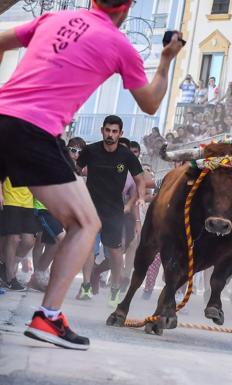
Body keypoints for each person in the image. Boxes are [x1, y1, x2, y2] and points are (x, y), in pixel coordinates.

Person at [0, 0, 183, 350]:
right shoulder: (119, 44)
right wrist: (166, 59)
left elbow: (0, 41)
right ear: (126, 9)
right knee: (86, 223)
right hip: (34, 130)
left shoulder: (55, 17)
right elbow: (150, 103)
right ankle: (48, 316)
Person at [77, 116, 145, 307]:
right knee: (88, 247)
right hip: (90, 207)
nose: (110, 135)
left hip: (114, 210)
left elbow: (140, 180)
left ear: (120, 134)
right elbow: (75, 170)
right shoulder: (90, 151)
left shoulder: (126, 156)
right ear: (102, 131)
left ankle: (114, 289)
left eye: (115, 132)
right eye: (108, 130)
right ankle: (86, 285)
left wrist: (134, 201)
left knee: (115, 252)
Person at [0, 177, 37, 291]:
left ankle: (6, 266)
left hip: (28, 203)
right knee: (14, 239)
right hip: (10, 200)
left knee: (29, 242)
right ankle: (10, 277)